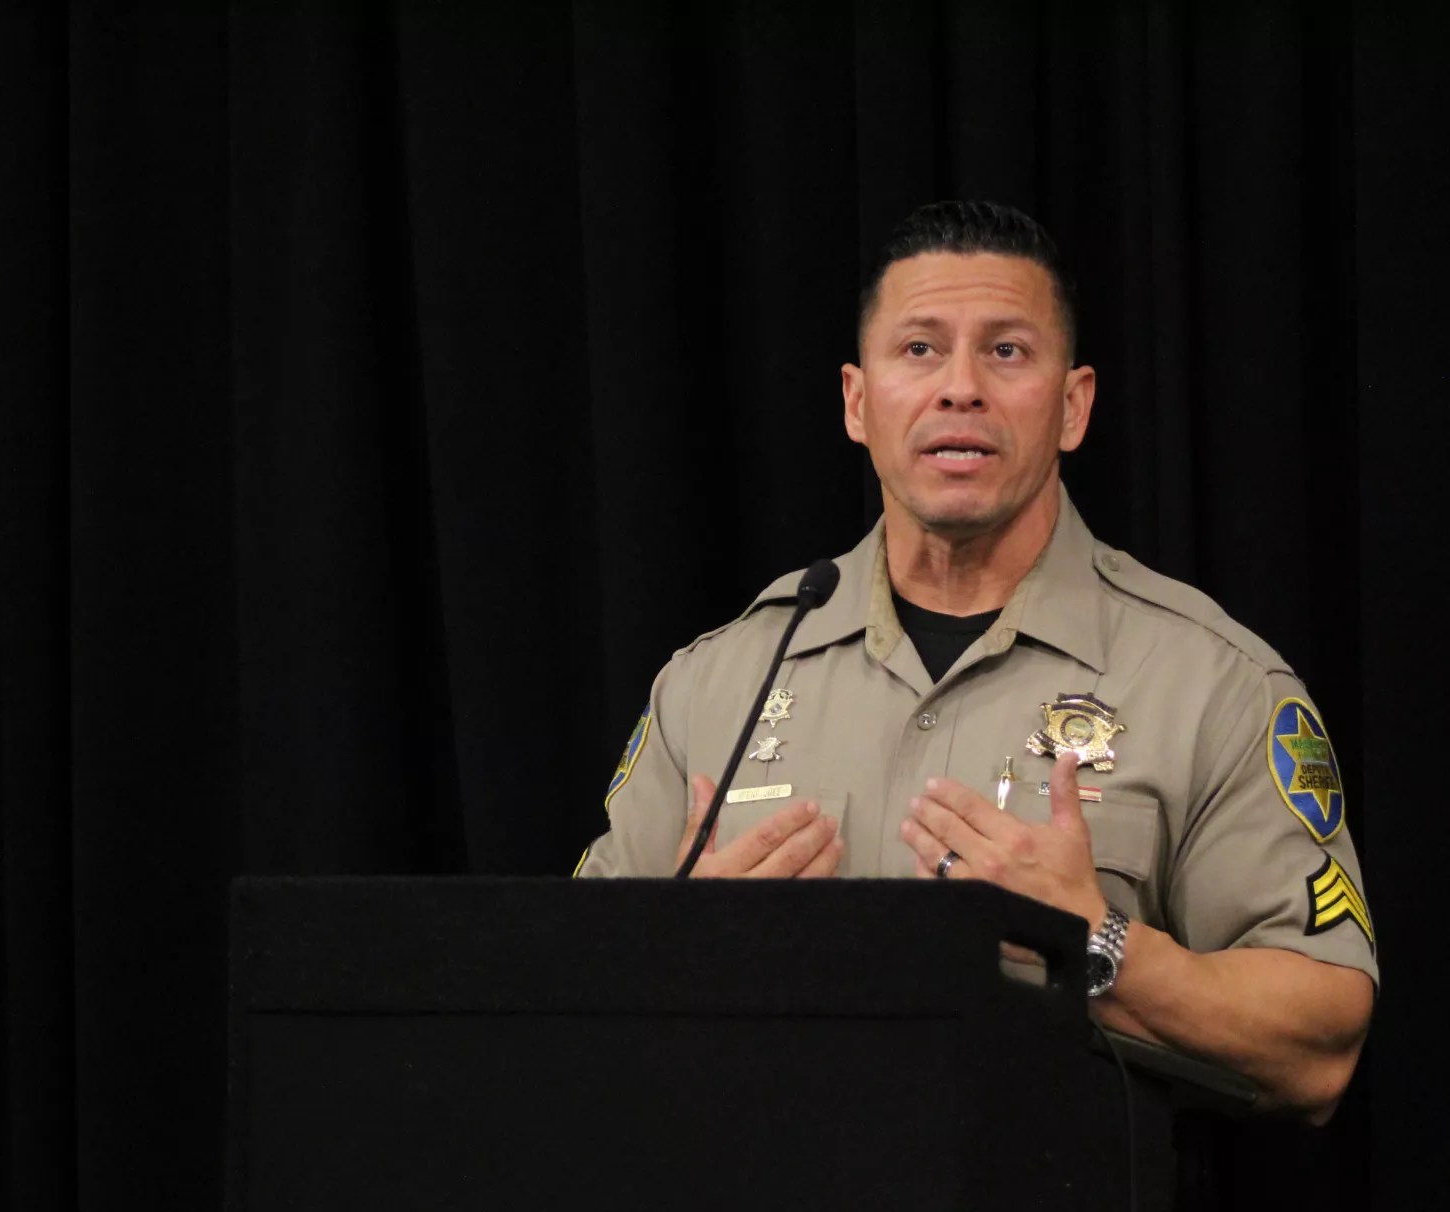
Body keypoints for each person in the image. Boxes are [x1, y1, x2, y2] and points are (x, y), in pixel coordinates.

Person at [575, 200, 1375, 1116]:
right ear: (857, 401)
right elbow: (563, 1000)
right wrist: (672, 954)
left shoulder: (1214, 683)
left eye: (1007, 351)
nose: (960, 388)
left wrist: (1099, 944)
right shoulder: (717, 683)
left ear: (1072, 407)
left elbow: (1323, 1036)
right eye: (919, 349)